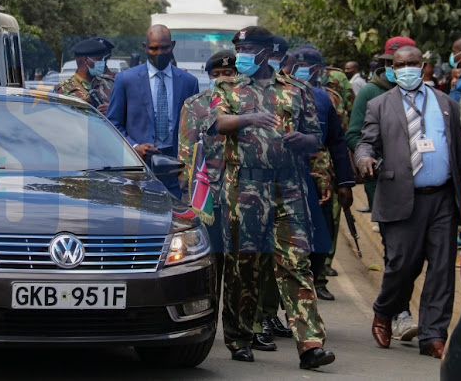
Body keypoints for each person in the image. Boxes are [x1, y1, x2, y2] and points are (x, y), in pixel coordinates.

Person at [214, 30, 335, 369]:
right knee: (244, 267)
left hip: (289, 189)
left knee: (296, 263)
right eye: (238, 49)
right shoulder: (227, 88)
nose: (241, 55)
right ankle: (240, 336)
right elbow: (217, 121)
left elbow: (316, 138)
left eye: (248, 49)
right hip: (245, 188)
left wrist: (304, 140)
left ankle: (310, 344)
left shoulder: (298, 91)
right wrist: (249, 118)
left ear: (267, 53)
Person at [356, 45, 461, 360]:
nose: (406, 68)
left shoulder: (446, 103)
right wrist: (364, 158)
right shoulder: (379, 104)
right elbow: (366, 141)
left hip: (442, 199)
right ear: (393, 68)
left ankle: (433, 335)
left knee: (442, 269)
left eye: (412, 63)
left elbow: (459, 152)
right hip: (401, 197)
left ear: (423, 66)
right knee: (402, 265)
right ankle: (384, 309)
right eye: (400, 64)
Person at [291, 45, 355, 301]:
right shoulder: (277, 96)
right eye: (298, 65)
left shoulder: (327, 99)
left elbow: (338, 140)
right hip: (287, 180)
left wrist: (346, 181)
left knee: (322, 236)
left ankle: (316, 280)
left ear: (318, 69)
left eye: (307, 66)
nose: (302, 71)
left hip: (321, 180)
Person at [107, 24, 199, 197]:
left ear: (172, 45)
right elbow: (113, 123)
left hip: (175, 168)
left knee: (175, 219)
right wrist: (134, 147)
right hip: (138, 166)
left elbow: (195, 128)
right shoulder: (126, 80)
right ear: (144, 47)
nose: (159, 53)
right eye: (153, 48)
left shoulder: (188, 82)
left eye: (164, 48)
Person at [177, 50, 236, 302]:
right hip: (207, 197)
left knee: (242, 265)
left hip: (241, 194)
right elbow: (186, 153)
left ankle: (248, 324)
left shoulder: (250, 104)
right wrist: (188, 196)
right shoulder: (195, 105)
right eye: (216, 74)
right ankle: (209, 316)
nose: (222, 78)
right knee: (211, 261)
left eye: (228, 73)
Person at [346, 37, 413, 212]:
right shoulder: (370, 92)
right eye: (391, 62)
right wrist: (374, 159)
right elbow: (353, 135)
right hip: (381, 179)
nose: (397, 67)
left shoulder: (424, 95)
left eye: (407, 63)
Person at [54, 37, 115, 113]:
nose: (102, 63)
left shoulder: (110, 83)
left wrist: (112, 110)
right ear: (86, 60)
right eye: (99, 59)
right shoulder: (63, 89)